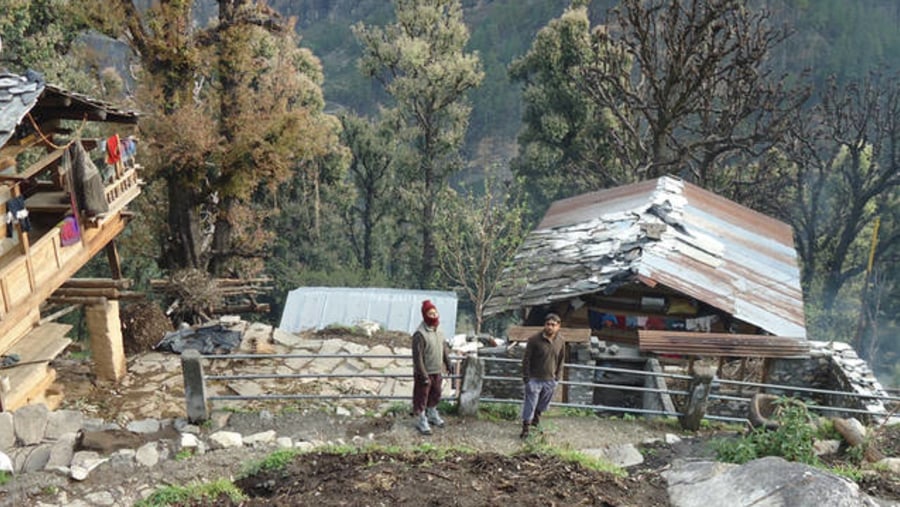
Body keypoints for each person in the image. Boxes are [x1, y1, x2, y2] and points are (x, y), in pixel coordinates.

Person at [520, 312, 565, 439]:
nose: (550, 327)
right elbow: (526, 359)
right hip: (534, 378)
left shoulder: (561, 341)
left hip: (550, 379)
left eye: (553, 325)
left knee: (543, 404)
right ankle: (526, 428)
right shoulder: (534, 340)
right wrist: (527, 378)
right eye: (548, 324)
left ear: (558, 326)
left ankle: (536, 421)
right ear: (544, 325)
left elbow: (561, 359)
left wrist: (557, 377)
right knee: (530, 403)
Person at [411, 299, 452, 435]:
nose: (434, 316)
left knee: (436, 394)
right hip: (425, 371)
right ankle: (421, 419)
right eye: (430, 313)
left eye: (435, 313)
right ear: (425, 315)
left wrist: (448, 362)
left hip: (437, 370)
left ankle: (432, 413)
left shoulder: (439, 330)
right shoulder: (420, 334)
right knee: (421, 396)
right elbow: (418, 357)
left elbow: (443, 347)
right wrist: (423, 374)